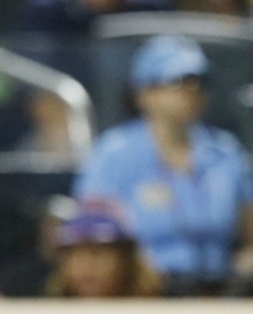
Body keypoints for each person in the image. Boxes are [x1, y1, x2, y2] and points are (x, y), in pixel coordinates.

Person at [73, 34, 253, 296]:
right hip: (144, 292)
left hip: (222, 288)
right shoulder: (113, 154)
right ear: (144, 93)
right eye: (176, 82)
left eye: (197, 81)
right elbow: (90, 239)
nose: (190, 90)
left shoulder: (224, 152)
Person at [45, 198, 162, 297]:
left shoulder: (163, 313)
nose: (86, 268)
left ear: (125, 260)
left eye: (96, 254)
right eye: (74, 256)